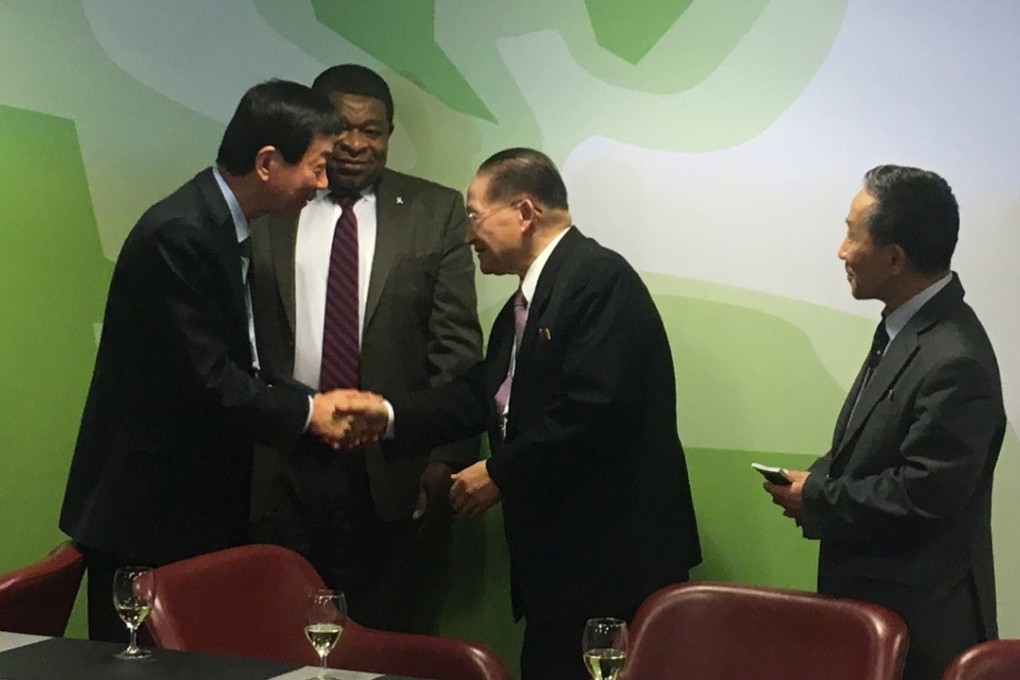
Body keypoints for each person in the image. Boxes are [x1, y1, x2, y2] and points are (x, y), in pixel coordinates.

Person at [342, 148, 701, 680]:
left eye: (474, 216)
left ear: (524, 213)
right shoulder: (527, 306)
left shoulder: (599, 281)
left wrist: (499, 471)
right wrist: (389, 414)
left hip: (609, 564)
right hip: (562, 567)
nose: (467, 235)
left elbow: (593, 409)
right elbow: (481, 394)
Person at [59, 80, 353, 642]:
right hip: (149, 518)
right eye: (317, 167)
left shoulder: (217, 226)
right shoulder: (181, 234)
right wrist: (306, 413)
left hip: (186, 510)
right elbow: (210, 380)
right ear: (268, 162)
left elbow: (233, 362)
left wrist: (310, 402)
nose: (322, 184)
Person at [248, 64, 482, 632]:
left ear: (390, 134)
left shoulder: (436, 211)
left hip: (390, 470)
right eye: (341, 128)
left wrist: (445, 456)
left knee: (384, 638)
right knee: (273, 634)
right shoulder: (274, 203)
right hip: (282, 460)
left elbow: (456, 346)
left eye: (372, 131)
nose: (356, 144)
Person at [764, 165, 1004, 680]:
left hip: (920, 632)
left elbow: (926, 493)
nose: (841, 251)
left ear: (895, 258)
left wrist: (819, 496)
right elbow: (868, 444)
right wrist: (814, 481)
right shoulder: (908, 328)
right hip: (878, 610)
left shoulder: (954, 357)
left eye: (853, 233)